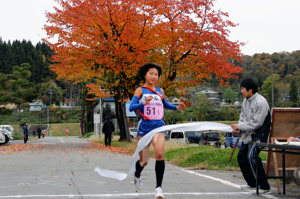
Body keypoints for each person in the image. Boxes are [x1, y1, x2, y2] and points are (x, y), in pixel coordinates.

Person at [129, 63, 186, 198]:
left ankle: (158, 189)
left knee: (159, 154)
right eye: (151, 74)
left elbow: (164, 104)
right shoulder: (140, 90)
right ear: (145, 75)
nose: (154, 76)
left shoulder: (160, 91)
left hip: (159, 126)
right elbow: (131, 107)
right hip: (145, 127)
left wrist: (177, 108)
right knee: (144, 161)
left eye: (156, 74)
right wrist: (143, 103)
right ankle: (137, 175)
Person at [231, 77, 271, 194]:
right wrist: (239, 127)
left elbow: (257, 123)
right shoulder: (245, 101)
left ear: (251, 89)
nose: (242, 91)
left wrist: (240, 126)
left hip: (260, 134)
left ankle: (265, 186)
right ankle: (252, 183)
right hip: (249, 134)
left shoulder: (260, 102)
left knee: (252, 156)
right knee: (242, 157)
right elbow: (242, 117)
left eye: (243, 89)